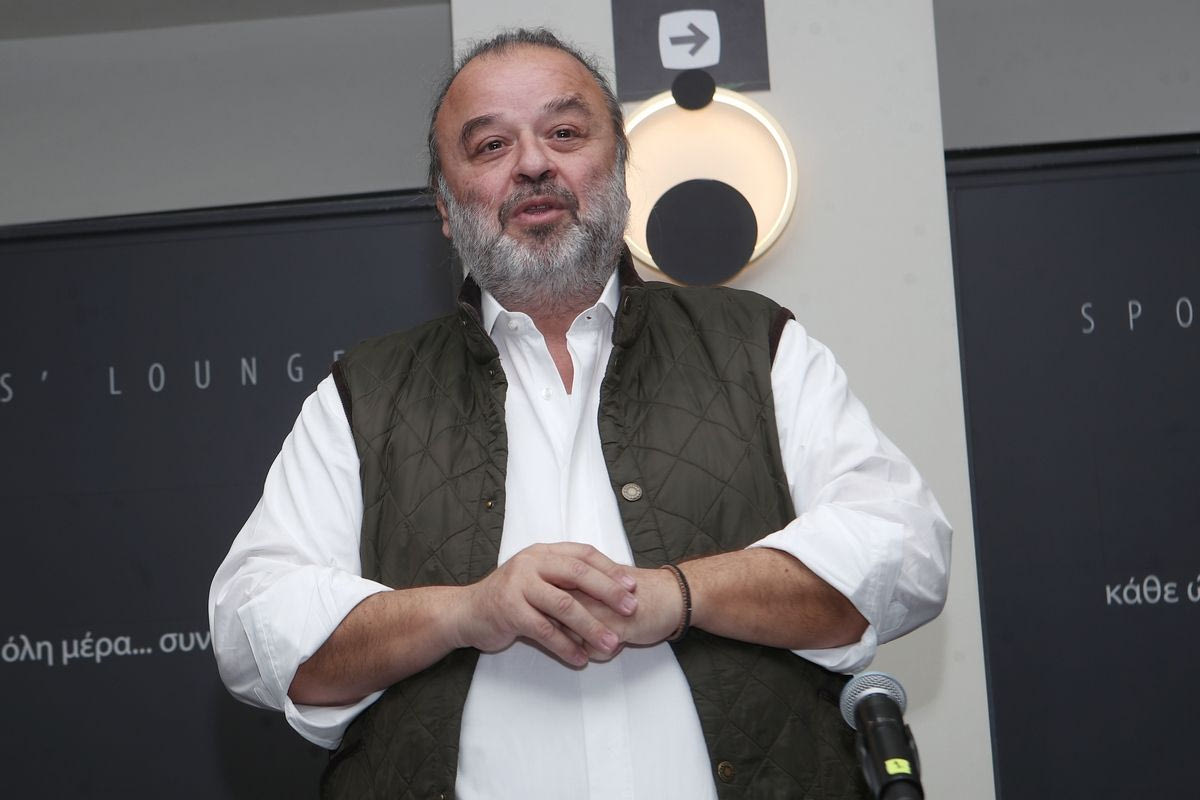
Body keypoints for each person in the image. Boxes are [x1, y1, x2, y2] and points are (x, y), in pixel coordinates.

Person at [209, 28, 950, 800]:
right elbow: (250, 629)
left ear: (620, 166)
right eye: (491, 145)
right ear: (444, 205)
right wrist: (465, 613)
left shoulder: (757, 347)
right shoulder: (363, 395)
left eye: (564, 133)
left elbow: (906, 547)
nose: (534, 163)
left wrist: (679, 595)